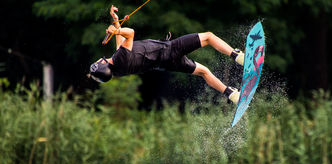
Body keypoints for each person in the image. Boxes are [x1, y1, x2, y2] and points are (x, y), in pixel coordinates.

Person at [89, 5, 244, 104]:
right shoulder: (119, 59)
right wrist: (117, 30)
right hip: (169, 50)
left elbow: (120, 44)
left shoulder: (119, 66)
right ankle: (237, 56)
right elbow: (130, 33)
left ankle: (231, 94)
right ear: (102, 64)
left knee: (203, 72)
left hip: (166, 64)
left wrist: (116, 22)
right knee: (209, 36)